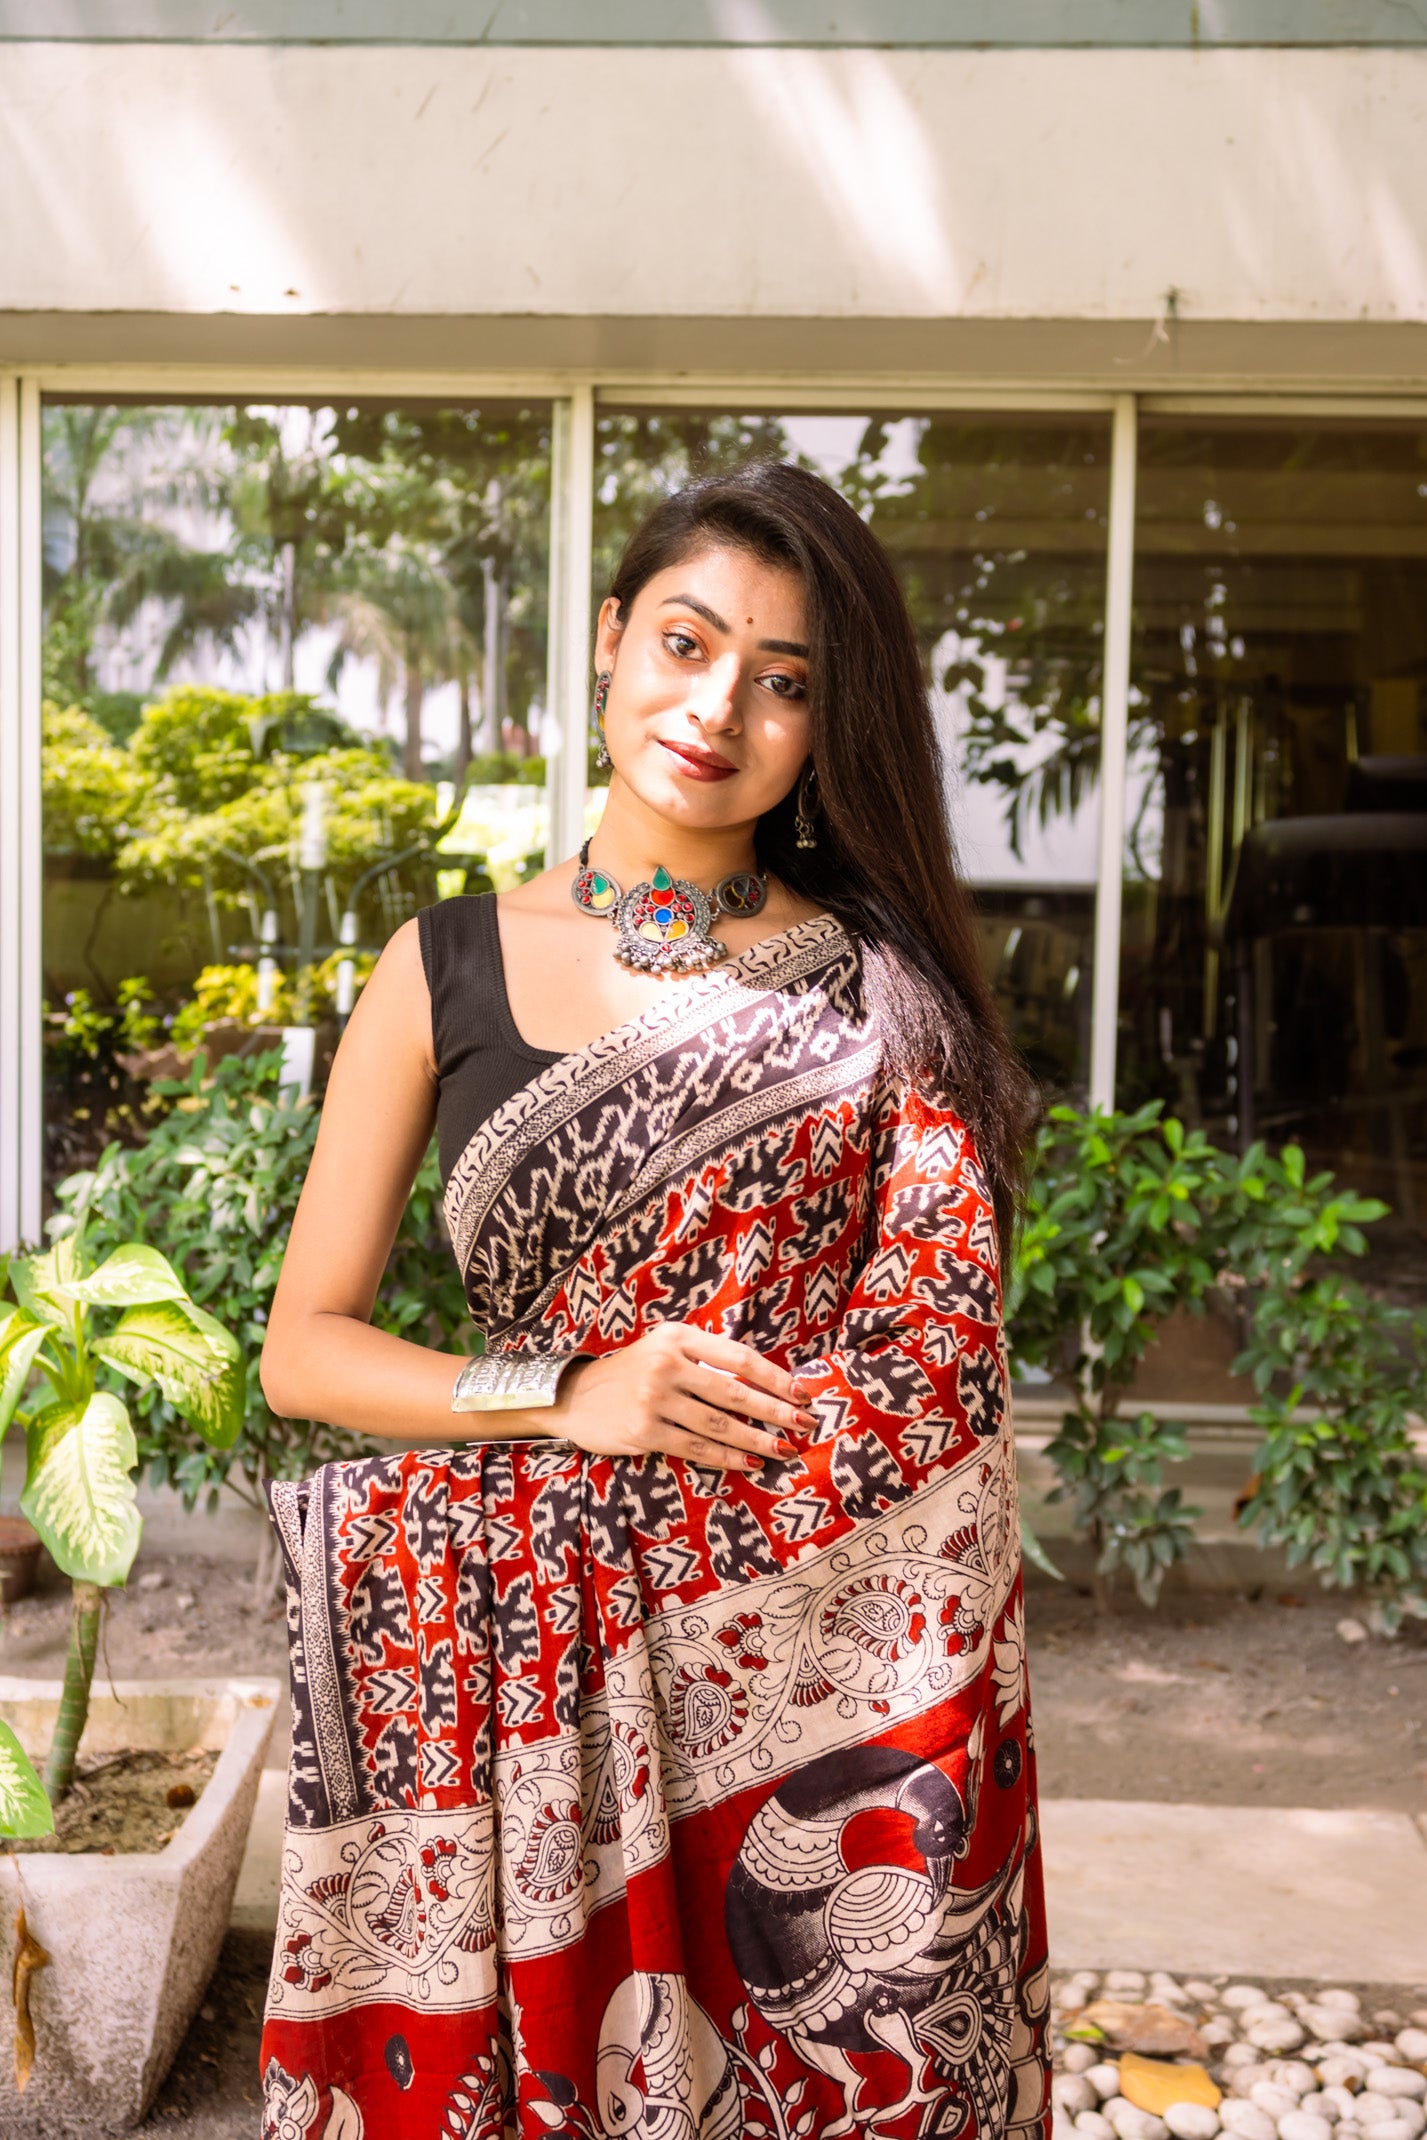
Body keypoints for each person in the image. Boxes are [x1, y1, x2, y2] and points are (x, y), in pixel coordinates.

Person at [256, 461, 1049, 2140]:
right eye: (686, 643)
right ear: (611, 639)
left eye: (784, 683)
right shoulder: (441, 966)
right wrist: (561, 1391)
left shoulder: (878, 990)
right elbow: (304, 1348)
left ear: (831, 730)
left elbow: (936, 1373)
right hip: (525, 1716)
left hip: (815, 1717)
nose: (718, 709)